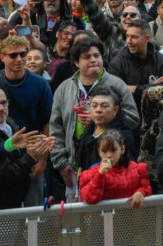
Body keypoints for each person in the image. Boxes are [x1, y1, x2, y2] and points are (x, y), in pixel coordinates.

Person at [50, 37, 139, 196]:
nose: (93, 60)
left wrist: (100, 121)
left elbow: (133, 119)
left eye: (96, 56)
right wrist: (61, 163)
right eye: (87, 57)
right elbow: (56, 128)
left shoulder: (117, 85)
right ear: (77, 62)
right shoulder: (64, 89)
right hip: (75, 165)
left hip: (113, 164)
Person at [78, 130, 151, 208]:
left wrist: (141, 192)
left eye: (114, 150)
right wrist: (99, 175)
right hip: (104, 215)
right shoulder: (92, 173)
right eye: (104, 151)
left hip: (130, 214)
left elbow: (146, 188)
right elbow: (89, 198)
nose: (109, 155)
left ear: (122, 149)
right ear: (99, 152)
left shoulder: (137, 169)